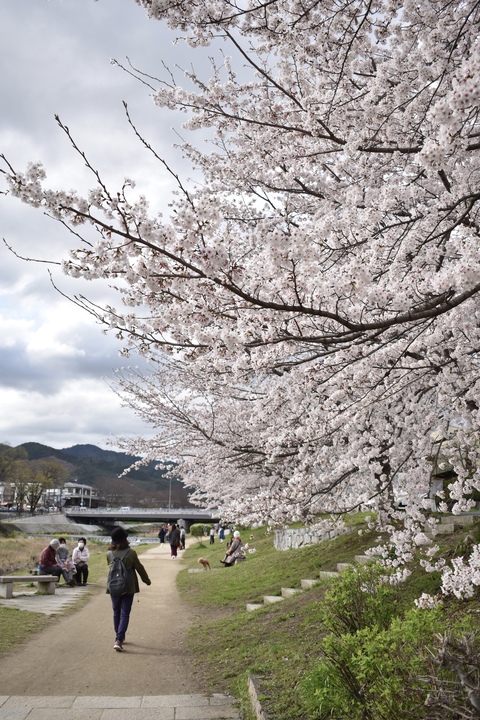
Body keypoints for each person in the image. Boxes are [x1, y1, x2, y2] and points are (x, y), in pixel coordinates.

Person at [107, 527, 151, 652]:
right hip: (128, 587)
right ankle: (119, 639)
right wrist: (146, 580)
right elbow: (139, 568)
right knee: (125, 613)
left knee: (116, 612)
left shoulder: (109, 554)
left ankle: (118, 636)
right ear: (125, 539)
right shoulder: (131, 553)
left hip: (113, 587)